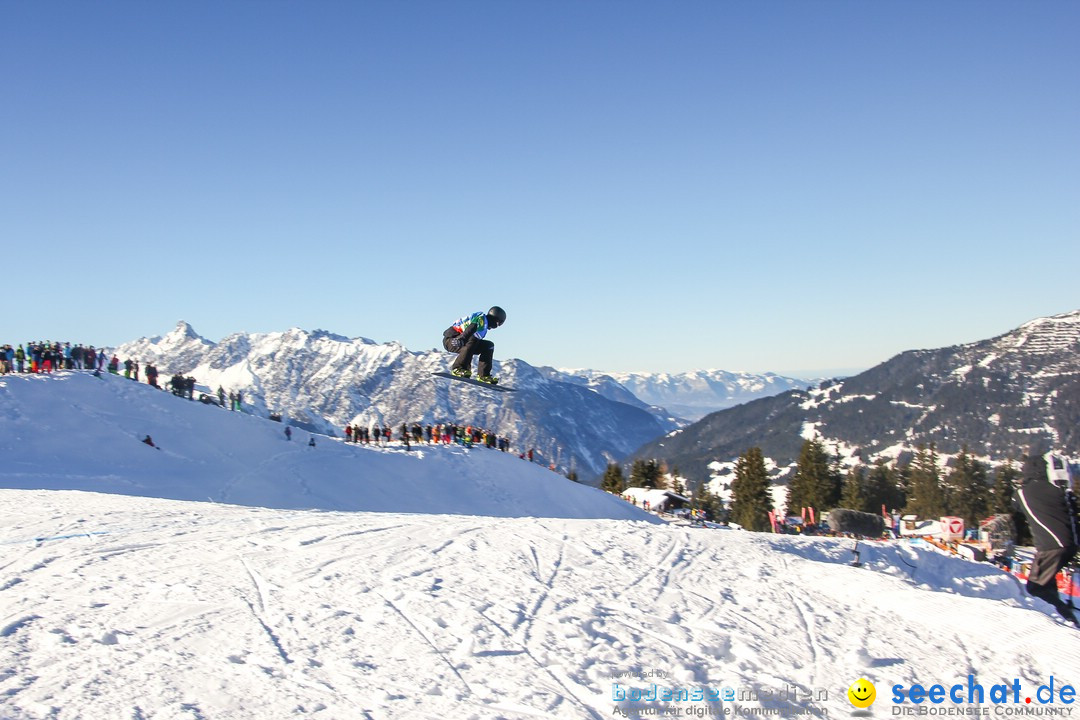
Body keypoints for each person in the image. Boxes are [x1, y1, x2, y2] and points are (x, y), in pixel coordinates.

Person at [1017, 452, 1079, 625]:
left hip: (1051, 547)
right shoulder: (1060, 490)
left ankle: (1065, 621)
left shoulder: (1025, 492)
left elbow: (1016, 504)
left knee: (1035, 588)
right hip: (1070, 544)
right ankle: (1060, 615)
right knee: (1048, 583)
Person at [442, 306, 506, 384]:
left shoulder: (484, 323)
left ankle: (483, 375)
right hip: (452, 340)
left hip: (462, 340)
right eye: (499, 323)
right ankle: (458, 368)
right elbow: (472, 327)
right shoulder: (481, 319)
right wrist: (462, 338)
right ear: (496, 320)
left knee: (488, 346)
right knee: (473, 340)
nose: (497, 326)